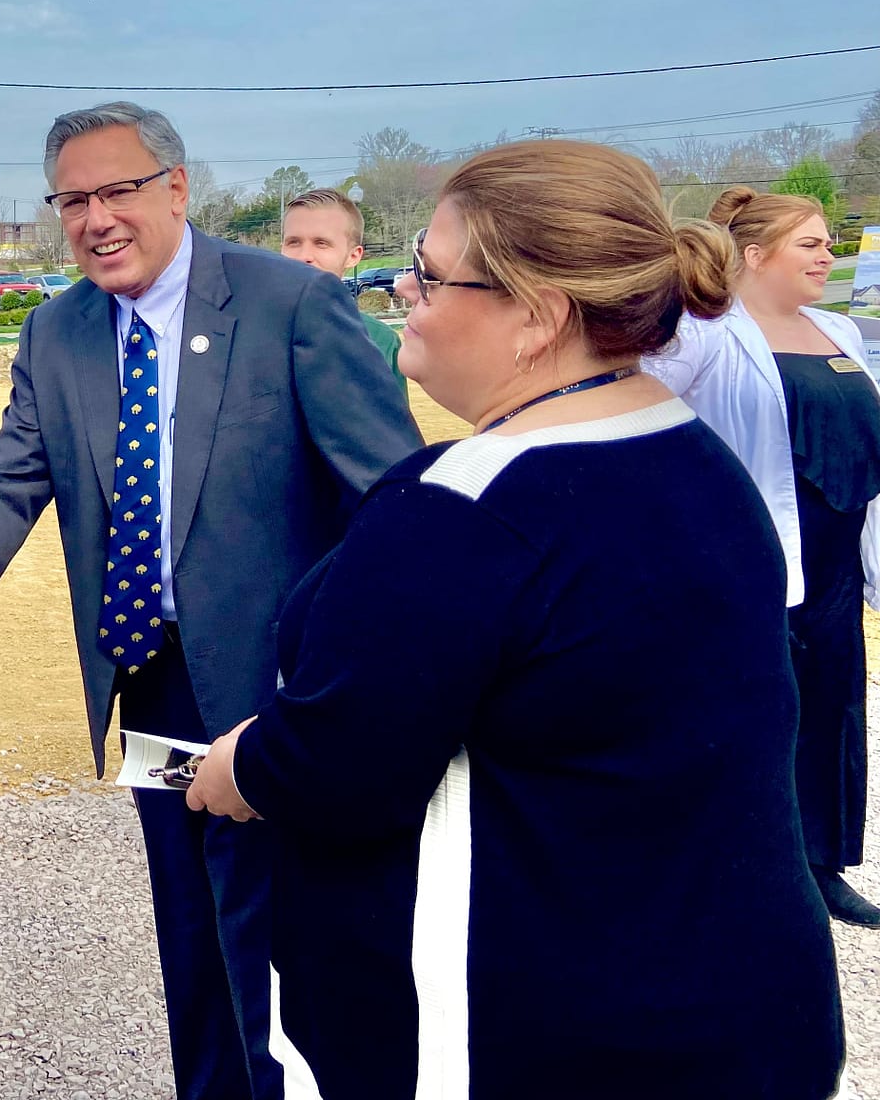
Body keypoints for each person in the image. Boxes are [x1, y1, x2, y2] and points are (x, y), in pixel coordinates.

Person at [185, 141, 845, 1099]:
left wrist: (238, 768)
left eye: (429, 271)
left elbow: (342, 766)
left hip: (534, 1034)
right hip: (737, 1004)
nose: (405, 292)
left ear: (536, 317)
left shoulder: (466, 507)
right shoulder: (687, 452)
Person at [0, 102, 421, 1100]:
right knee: (192, 933)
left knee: (294, 948)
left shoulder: (288, 305)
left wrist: (362, 675)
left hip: (284, 692)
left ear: (177, 189)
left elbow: (392, 497)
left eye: (117, 191)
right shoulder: (57, 333)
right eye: (73, 200)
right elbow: (10, 480)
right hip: (152, 682)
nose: (96, 217)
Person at [646, 185, 880, 927]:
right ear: (755, 254)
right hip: (751, 562)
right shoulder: (704, 333)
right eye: (809, 243)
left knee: (833, 708)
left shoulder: (839, 329)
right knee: (754, 710)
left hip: (837, 562)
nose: (828, 254)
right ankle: (742, 866)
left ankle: (822, 864)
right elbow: (640, 418)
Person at [278, 186, 406, 391]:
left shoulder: (379, 340)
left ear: (353, 256)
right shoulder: (247, 331)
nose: (304, 255)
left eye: (321, 243)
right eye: (293, 242)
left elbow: (390, 422)